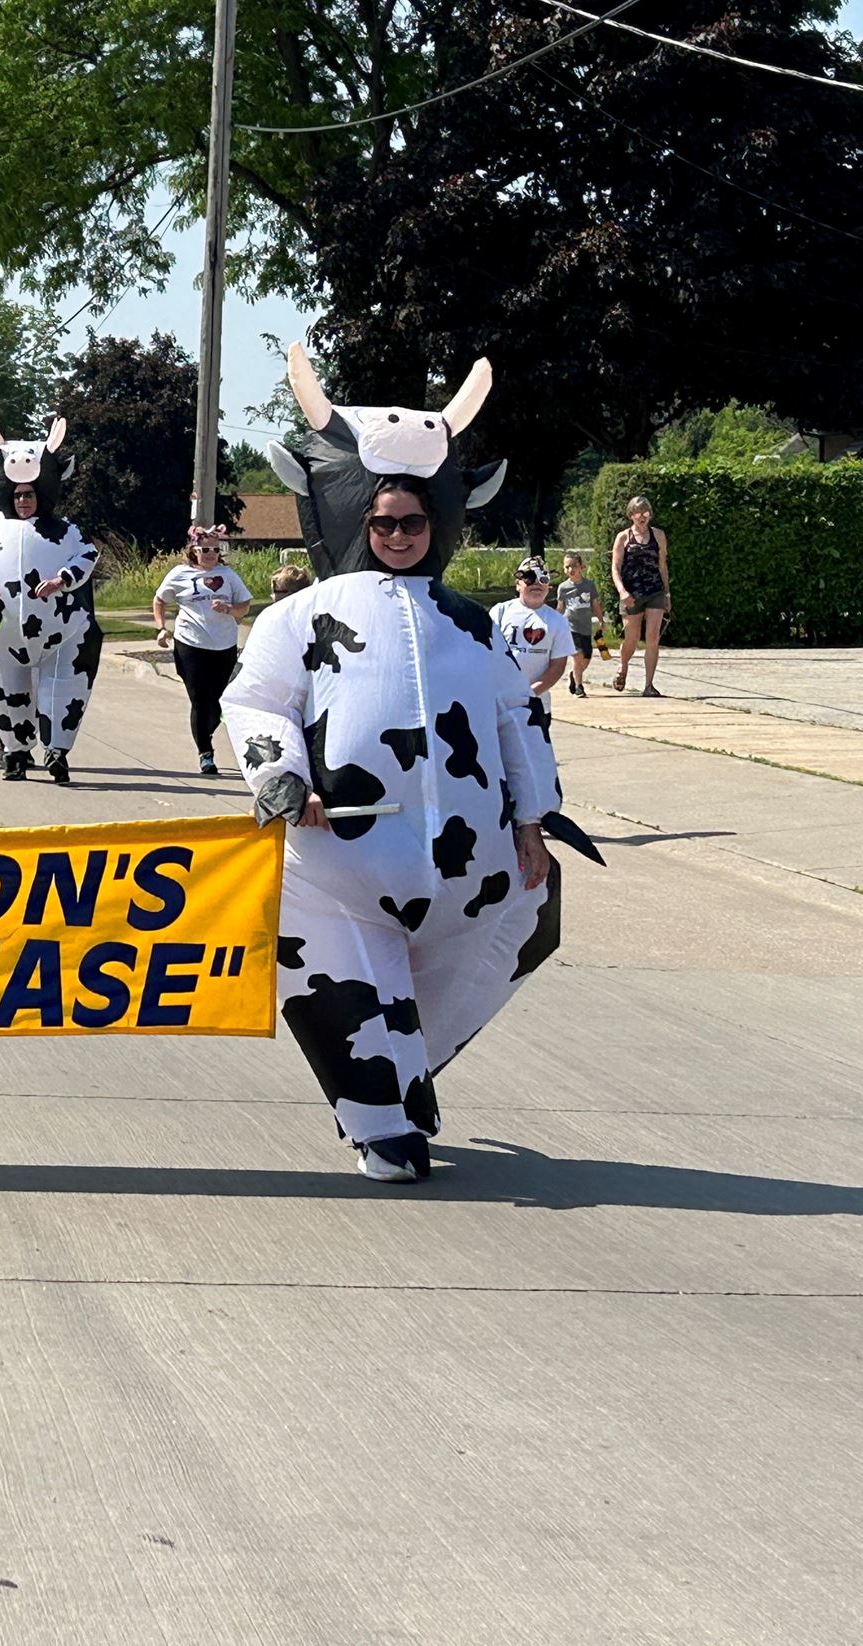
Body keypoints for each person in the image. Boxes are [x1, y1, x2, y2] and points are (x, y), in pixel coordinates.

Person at [224, 344, 558, 1184]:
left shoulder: (474, 624)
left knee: (531, 916)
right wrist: (277, 775)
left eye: (413, 522)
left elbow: (517, 718)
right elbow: (257, 702)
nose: (399, 536)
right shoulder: (299, 616)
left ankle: (407, 1074)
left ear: (437, 522)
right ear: (354, 519)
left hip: (470, 863)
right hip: (338, 862)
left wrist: (533, 820)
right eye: (383, 523)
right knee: (343, 977)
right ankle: (385, 1126)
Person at [0, 418, 102, 783]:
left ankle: (57, 753)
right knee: (6, 692)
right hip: (0, 631)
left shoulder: (65, 528)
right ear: (7, 493)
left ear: (42, 492)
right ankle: (15, 754)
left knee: (63, 690)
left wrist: (61, 580)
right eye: (18, 494)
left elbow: (86, 555)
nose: (24, 501)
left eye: (30, 494)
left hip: (61, 630)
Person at [151, 526, 253, 775]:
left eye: (215, 550)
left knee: (218, 702)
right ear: (193, 550)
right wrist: (162, 628)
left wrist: (228, 609)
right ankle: (206, 754)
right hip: (190, 644)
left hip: (224, 645)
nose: (210, 554)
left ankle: (204, 731)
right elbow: (160, 600)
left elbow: (245, 607)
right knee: (199, 699)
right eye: (205, 549)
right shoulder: (179, 574)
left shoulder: (227, 575)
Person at [490, 558, 572, 805]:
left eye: (543, 579)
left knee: (531, 763)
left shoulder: (556, 622)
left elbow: (557, 665)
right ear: (518, 583)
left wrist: (533, 691)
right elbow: (485, 653)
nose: (536, 584)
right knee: (498, 762)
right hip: (499, 703)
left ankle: (534, 813)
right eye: (529, 578)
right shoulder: (501, 612)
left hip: (535, 706)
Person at [610, 495, 672, 695]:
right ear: (631, 515)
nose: (642, 516)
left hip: (655, 591)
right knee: (632, 639)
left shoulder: (659, 536)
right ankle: (623, 666)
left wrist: (667, 593)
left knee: (652, 637)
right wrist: (622, 591)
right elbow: (615, 567)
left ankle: (649, 685)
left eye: (645, 512)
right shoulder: (623, 537)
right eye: (638, 512)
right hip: (631, 593)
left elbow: (662, 566)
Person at [554, 552, 599, 697]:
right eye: (567, 567)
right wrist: (555, 622)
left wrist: (601, 620)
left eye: (574, 566)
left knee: (586, 658)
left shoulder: (589, 586)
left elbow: (595, 604)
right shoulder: (563, 588)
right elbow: (560, 607)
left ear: (581, 567)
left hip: (585, 627)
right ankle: (580, 687)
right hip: (570, 627)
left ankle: (573, 675)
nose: (570, 570)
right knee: (577, 656)